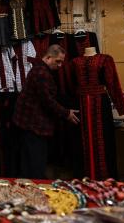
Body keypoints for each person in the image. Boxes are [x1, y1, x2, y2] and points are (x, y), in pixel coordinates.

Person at [12, 44, 79, 178]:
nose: (60, 65)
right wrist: (66, 113)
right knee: (34, 166)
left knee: (31, 165)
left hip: (31, 126)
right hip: (33, 127)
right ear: (48, 57)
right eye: (57, 61)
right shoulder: (41, 73)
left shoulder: (40, 70)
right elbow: (48, 101)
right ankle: (33, 194)